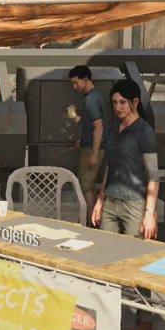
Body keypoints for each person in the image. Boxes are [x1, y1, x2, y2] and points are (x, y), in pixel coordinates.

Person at [90, 78, 161, 330]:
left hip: (135, 205)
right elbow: (110, 167)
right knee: (107, 260)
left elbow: (153, 175)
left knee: (136, 264)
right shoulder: (113, 129)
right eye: (114, 103)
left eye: (123, 102)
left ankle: (145, 319)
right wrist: (100, 200)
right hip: (111, 202)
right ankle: (109, 315)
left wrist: (149, 213)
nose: (118, 107)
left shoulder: (145, 132)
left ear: (135, 102)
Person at [70, 65, 107, 226]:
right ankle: (93, 219)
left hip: (92, 149)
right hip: (90, 146)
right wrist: (82, 140)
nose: (75, 87)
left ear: (86, 79)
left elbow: (99, 127)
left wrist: (94, 153)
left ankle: (92, 220)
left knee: (85, 184)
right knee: (88, 183)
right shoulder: (94, 96)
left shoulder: (90, 100)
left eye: (76, 83)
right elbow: (91, 124)